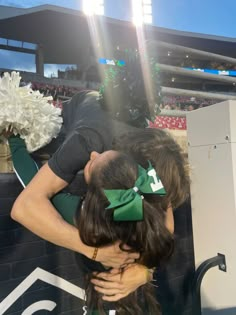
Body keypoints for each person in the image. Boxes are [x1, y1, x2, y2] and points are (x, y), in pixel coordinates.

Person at [7, 133, 175, 314]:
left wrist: (14, 137)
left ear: (97, 190)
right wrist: (145, 271)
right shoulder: (151, 208)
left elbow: (32, 185)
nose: (93, 153)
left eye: (94, 163)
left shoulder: (83, 215)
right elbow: (167, 223)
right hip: (143, 305)